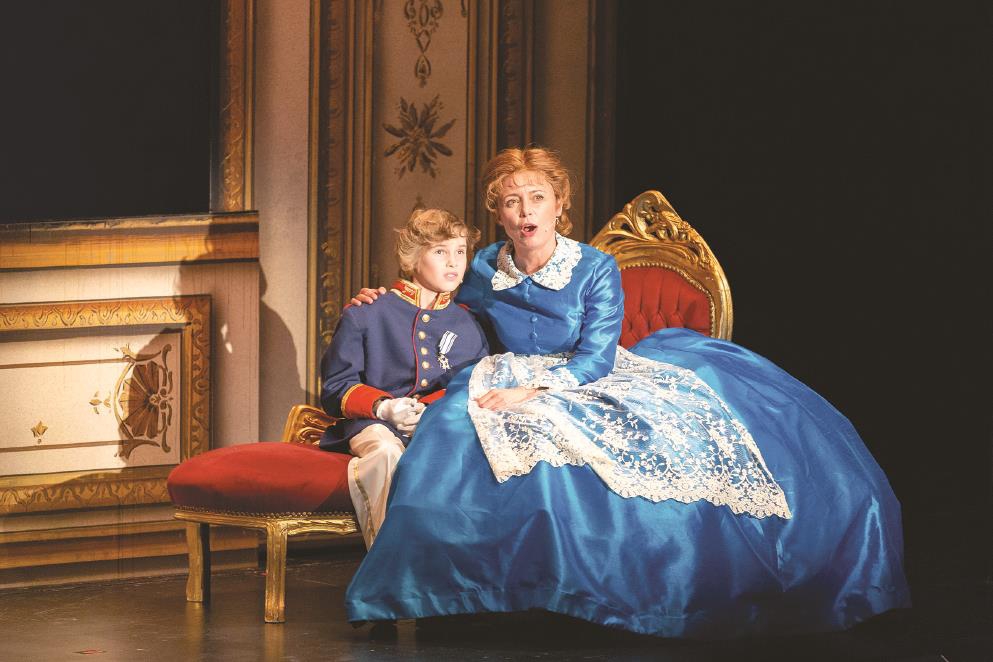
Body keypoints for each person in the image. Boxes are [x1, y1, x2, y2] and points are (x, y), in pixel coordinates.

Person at [343, 147, 910, 637]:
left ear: (559, 204)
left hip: (585, 375)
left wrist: (537, 391)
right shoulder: (485, 266)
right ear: (498, 212)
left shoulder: (595, 267)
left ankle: (605, 592)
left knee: (637, 449)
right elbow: (435, 293)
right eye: (512, 202)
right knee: (458, 435)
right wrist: (380, 296)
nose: (525, 212)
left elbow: (595, 357)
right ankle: (451, 594)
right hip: (503, 374)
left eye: (537, 198)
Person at [319, 208, 489, 549]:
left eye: (460, 251)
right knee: (385, 452)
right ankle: (392, 559)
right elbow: (336, 388)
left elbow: (474, 386)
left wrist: (433, 411)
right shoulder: (367, 312)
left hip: (440, 427)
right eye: (440, 251)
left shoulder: (469, 324)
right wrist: (383, 407)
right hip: (373, 424)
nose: (453, 262)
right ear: (413, 258)